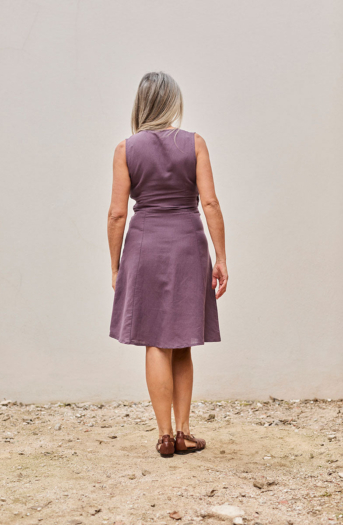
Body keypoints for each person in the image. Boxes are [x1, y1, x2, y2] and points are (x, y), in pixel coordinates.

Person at [107, 71, 228, 458]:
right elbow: (210, 203)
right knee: (183, 338)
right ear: (173, 102)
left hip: (144, 246)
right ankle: (184, 432)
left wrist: (115, 265)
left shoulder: (126, 149)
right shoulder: (194, 143)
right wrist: (221, 256)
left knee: (155, 341)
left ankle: (163, 435)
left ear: (141, 104)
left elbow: (116, 214)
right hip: (187, 245)